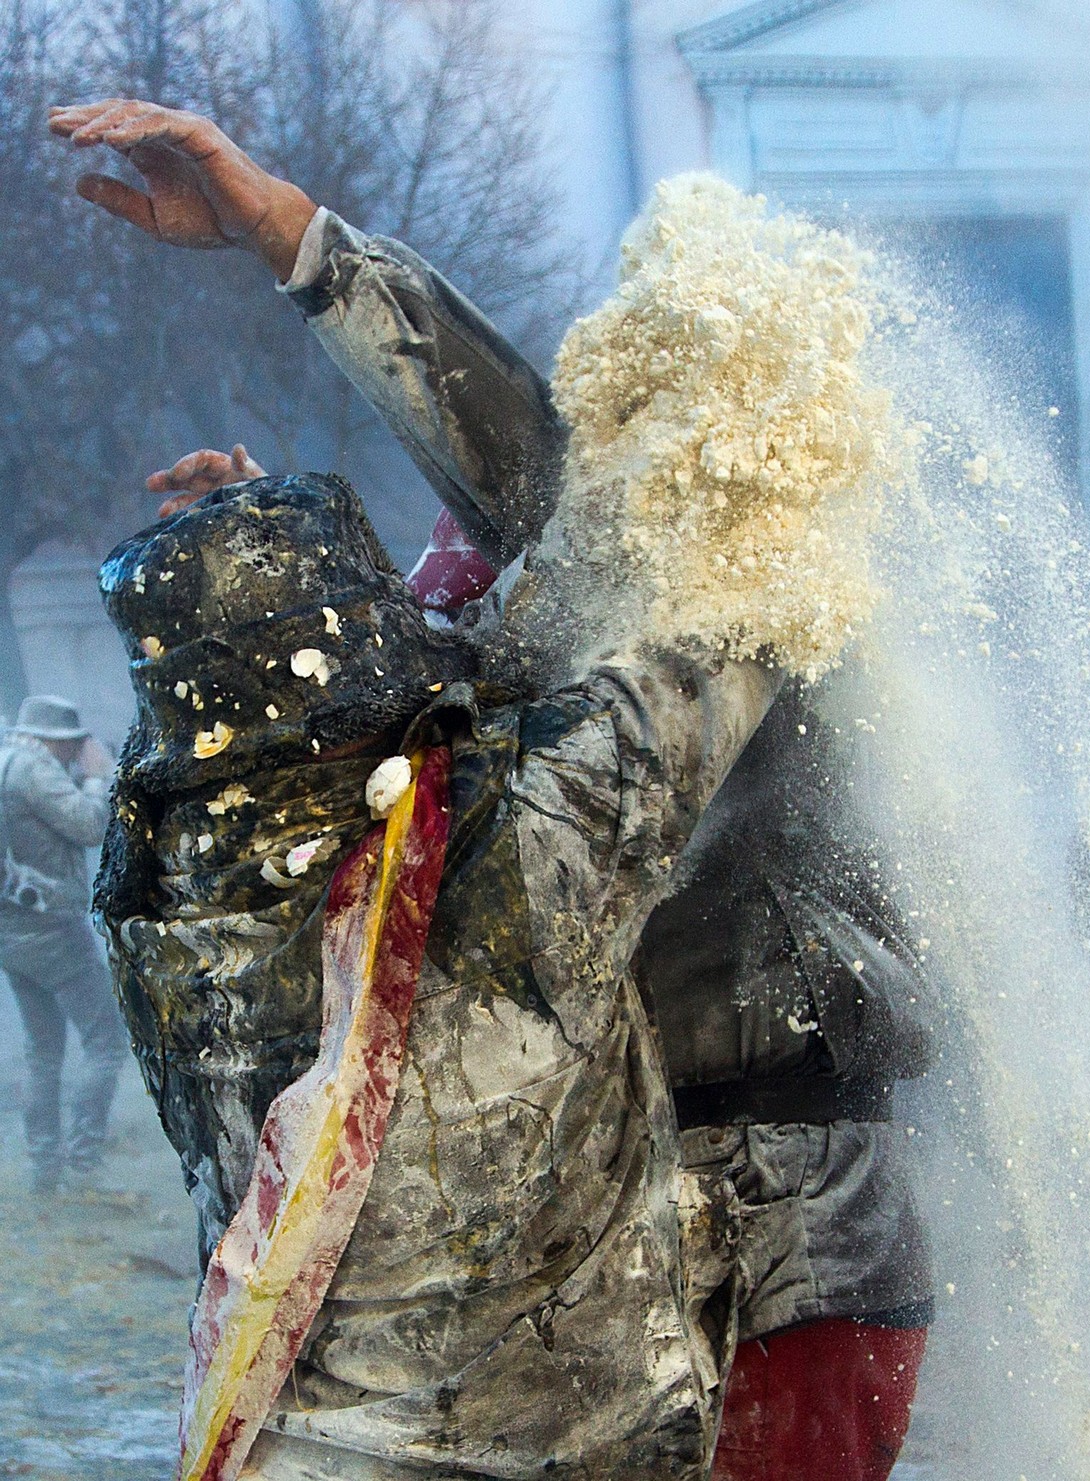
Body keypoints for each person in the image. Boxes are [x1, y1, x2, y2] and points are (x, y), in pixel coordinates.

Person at [48, 99, 931, 1478]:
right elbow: (419, 714)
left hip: (780, 1230)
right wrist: (265, 590)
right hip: (592, 1263)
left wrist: (294, 236)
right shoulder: (534, 594)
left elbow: (537, 489)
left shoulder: (739, 570)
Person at [0, 694, 124, 1193]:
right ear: (53, 740)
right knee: (106, 1043)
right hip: (51, 929)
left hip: (11, 930)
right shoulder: (35, 768)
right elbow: (90, 826)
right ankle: (83, 1161)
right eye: (71, 745)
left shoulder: (8, 760)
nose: (76, 752)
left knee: (42, 1051)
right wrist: (97, 777)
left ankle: (44, 1168)